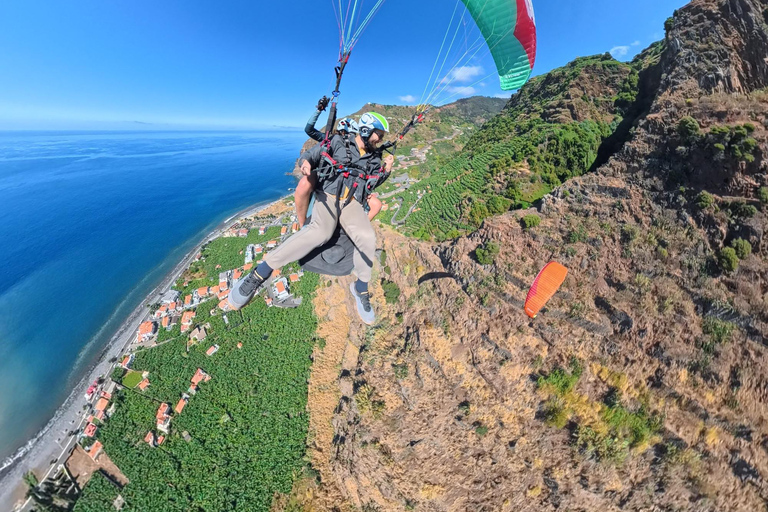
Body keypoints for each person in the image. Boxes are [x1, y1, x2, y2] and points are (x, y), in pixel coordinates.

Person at [229, 112, 394, 325]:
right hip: (329, 195)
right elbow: (312, 155)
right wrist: (305, 163)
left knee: (367, 237)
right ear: (366, 130)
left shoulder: (374, 158)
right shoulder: (338, 141)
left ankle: (360, 288)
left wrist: (386, 171)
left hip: (351, 202)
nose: (379, 139)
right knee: (320, 232)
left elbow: (372, 183)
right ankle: (259, 274)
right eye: (378, 134)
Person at [295, 108, 383, 227]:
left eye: (348, 134)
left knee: (375, 204)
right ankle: (303, 223)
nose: (346, 137)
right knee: (305, 184)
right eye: (342, 133)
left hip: (345, 184)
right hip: (325, 175)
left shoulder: (362, 151)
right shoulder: (333, 140)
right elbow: (309, 132)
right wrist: (318, 111)